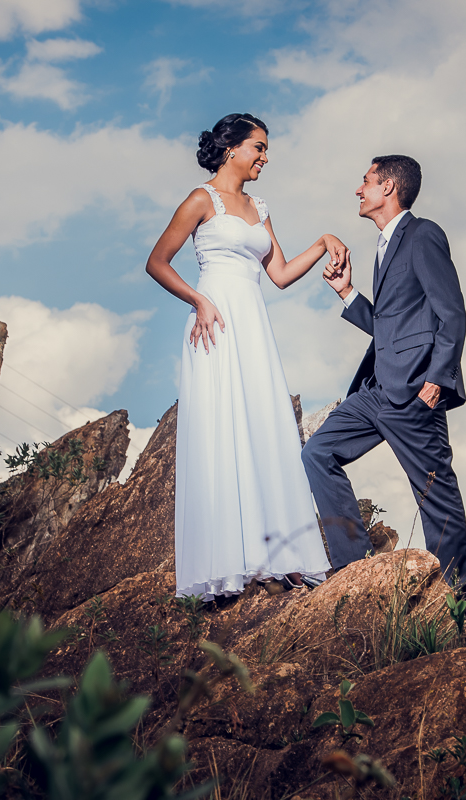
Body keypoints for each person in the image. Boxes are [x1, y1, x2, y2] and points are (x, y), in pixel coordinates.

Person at [145, 113, 346, 601]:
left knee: (264, 424)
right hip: (215, 322)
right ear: (231, 147)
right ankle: (229, 561)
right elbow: (156, 261)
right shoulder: (200, 199)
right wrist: (198, 301)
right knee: (222, 428)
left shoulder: (259, 206)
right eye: (258, 146)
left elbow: (277, 274)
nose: (264, 156)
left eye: (265, 148)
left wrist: (322, 243)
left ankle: (280, 557)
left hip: (254, 323)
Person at [303, 155, 466, 598]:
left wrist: (436, 381)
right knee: (317, 453)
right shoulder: (383, 246)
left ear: (389, 187)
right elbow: (391, 326)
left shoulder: (423, 235)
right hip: (376, 390)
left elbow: (451, 312)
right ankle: (354, 570)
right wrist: (346, 293)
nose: (358, 190)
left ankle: (456, 601)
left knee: (435, 496)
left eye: (365, 182)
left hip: (417, 392)